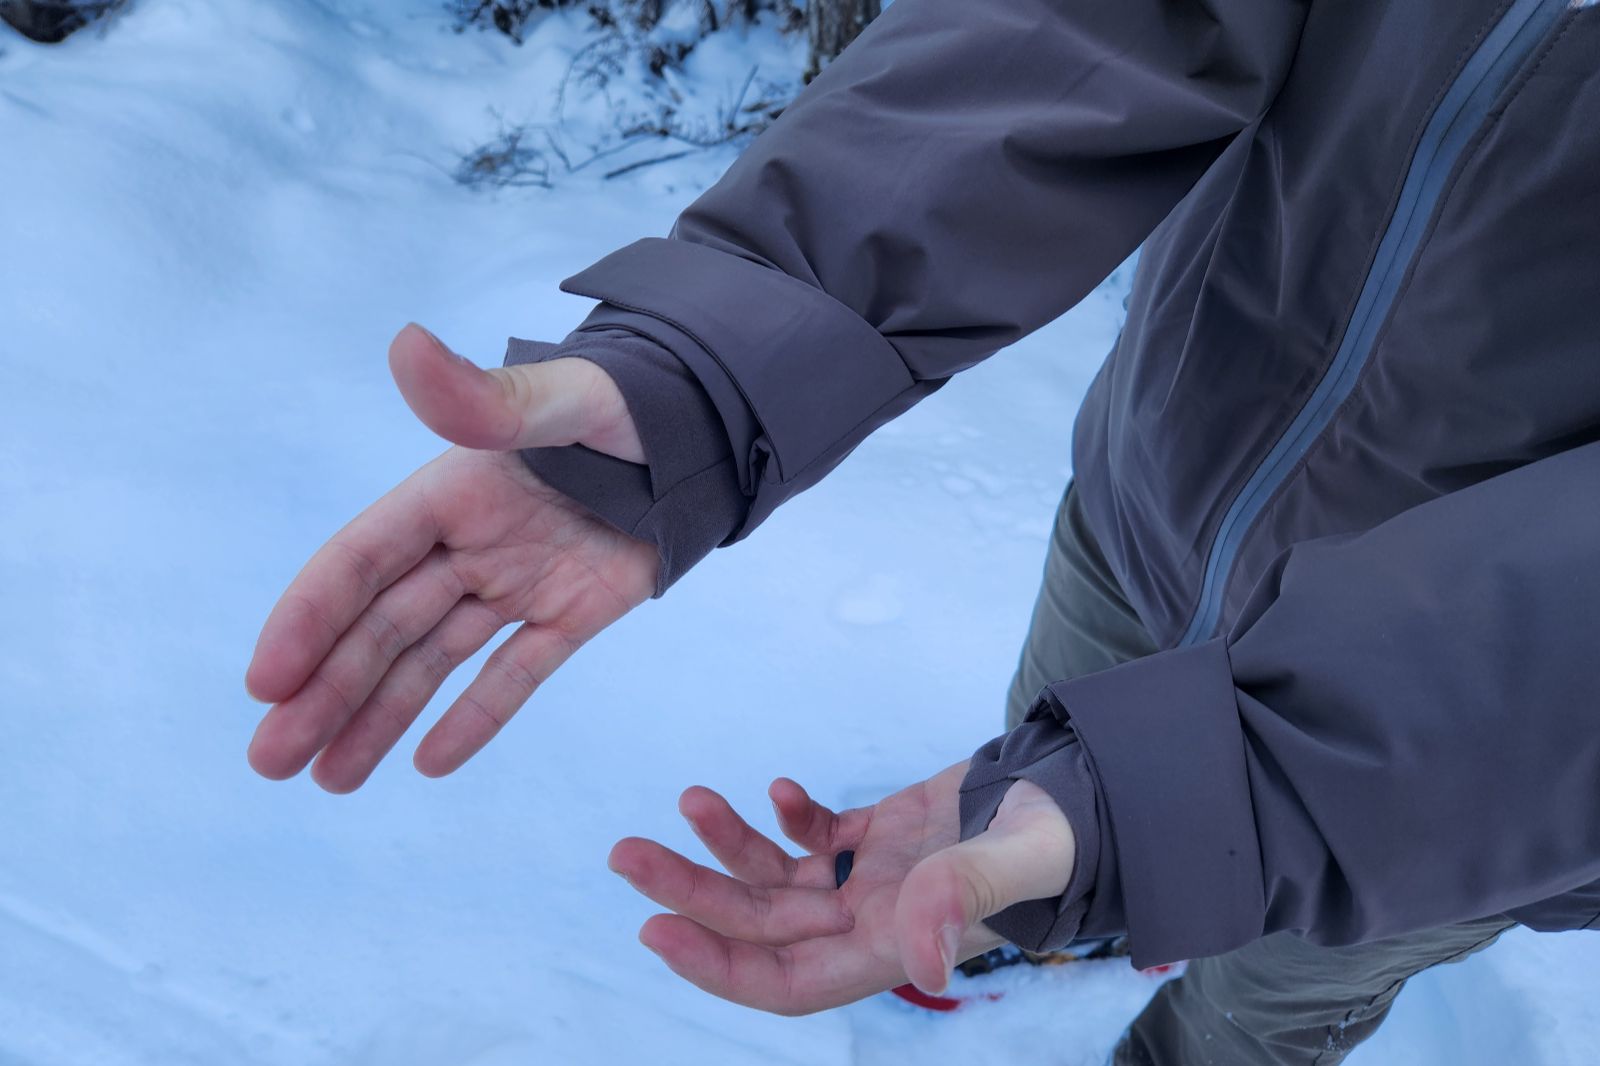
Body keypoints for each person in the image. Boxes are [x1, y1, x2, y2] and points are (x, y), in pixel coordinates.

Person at [245, 0, 1600, 1060]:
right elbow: (1110, 29)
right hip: (1152, 499)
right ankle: (1026, 917)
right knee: (1045, 760)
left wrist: (1229, 792)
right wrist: (722, 361)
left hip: (1438, 768)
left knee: (1272, 980)